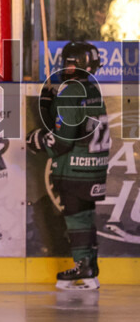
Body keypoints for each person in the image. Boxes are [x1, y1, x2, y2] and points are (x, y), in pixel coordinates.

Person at [26, 41, 109, 290]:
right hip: (94, 167)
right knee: (84, 217)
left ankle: (83, 266)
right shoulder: (92, 89)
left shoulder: (71, 91)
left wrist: (37, 140)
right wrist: (49, 106)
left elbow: (62, 141)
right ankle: (90, 269)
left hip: (74, 169)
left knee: (76, 219)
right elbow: (73, 123)